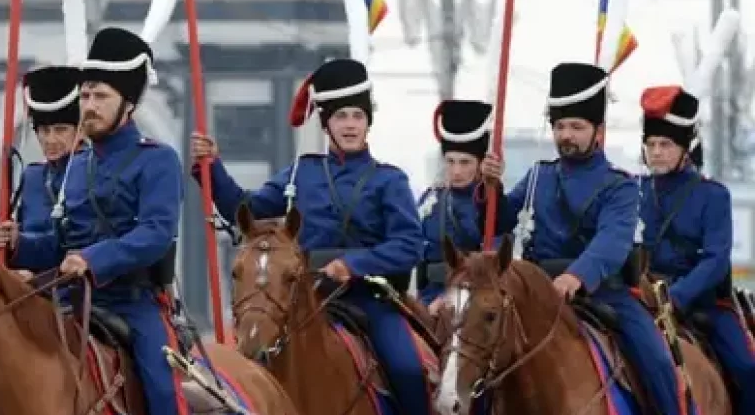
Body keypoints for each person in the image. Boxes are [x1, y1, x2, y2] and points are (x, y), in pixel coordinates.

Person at [190, 57, 432, 415]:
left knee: (407, 369)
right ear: (326, 123)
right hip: (304, 298)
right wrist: (211, 167)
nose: (350, 125)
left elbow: (409, 245)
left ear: (368, 121)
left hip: (369, 300)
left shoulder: (390, 180)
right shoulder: (300, 172)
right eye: (340, 116)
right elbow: (247, 209)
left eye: (357, 116)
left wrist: (353, 265)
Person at [0, 26, 188, 415]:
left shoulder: (157, 159)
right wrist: (17, 242)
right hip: (66, 300)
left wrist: (94, 258)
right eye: (85, 95)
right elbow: (58, 241)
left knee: (163, 395)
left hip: (133, 304)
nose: (89, 105)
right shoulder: (76, 165)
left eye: (100, 96)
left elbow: (156, 233)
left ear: (128, 104)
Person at [480, 62, 684, 415]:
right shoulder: (537, 177)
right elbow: (494, 222)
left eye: (576, 126)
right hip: (536, 295)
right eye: (560, 126)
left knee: (659, 364)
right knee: (479, 360)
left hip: (603, 293)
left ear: (599, 131)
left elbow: (613, 241)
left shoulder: (619, 185)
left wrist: (576, 276)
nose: (566, 135)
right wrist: (488, 187)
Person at [638, 84, 755, 411]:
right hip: (644, 299)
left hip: (701, 303)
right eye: (650, 144)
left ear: (685, 148)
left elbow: (716, 260)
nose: (656, 152)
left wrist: (676, 298)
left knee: (748, 369)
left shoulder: (713, 195)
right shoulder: (632, 191)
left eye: (665, 144)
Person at [0, 65, 81, 259]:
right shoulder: (33, 175)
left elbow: (72, 244)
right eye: (44, 130)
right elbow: (5, 231)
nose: (50, 140)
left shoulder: (91, 174)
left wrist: (20, 243)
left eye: (60, 130)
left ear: (80, 130)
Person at [417, 99, 514, 306]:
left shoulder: (492, 203)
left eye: (465, 162)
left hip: (471, 303)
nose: (457, 171)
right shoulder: (430, 200)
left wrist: (448, 301)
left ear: (480, 164)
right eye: (450, 161)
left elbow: (493, 266)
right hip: (427, 300)